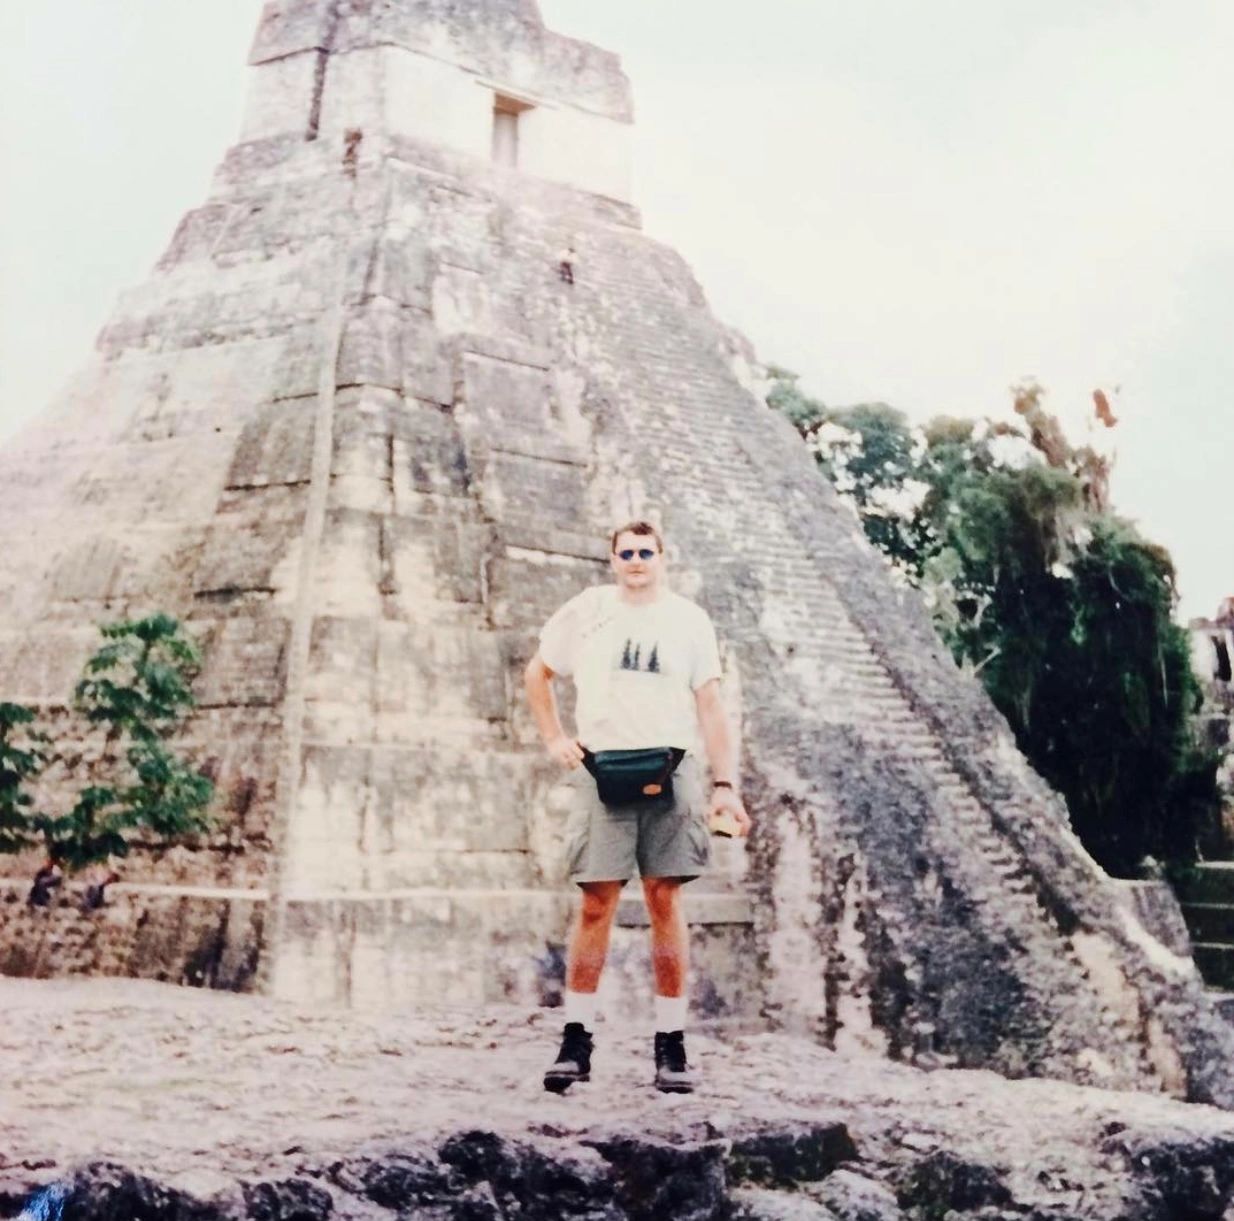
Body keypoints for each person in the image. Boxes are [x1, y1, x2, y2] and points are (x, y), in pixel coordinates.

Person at [523, 520, 751, 1094]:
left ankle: (670, 1043)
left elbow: (711, 704)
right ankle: (576, 1039)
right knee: (596, 901)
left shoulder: (688, 620)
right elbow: (538, 673)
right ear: (612, 559)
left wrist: (725, 784)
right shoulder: (589, 610)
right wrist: (554, 738)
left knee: (664, 898)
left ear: (662, 557)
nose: (636, 561)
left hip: (672, 768)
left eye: (646, 552)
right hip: (602, 768)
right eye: (626, 553)